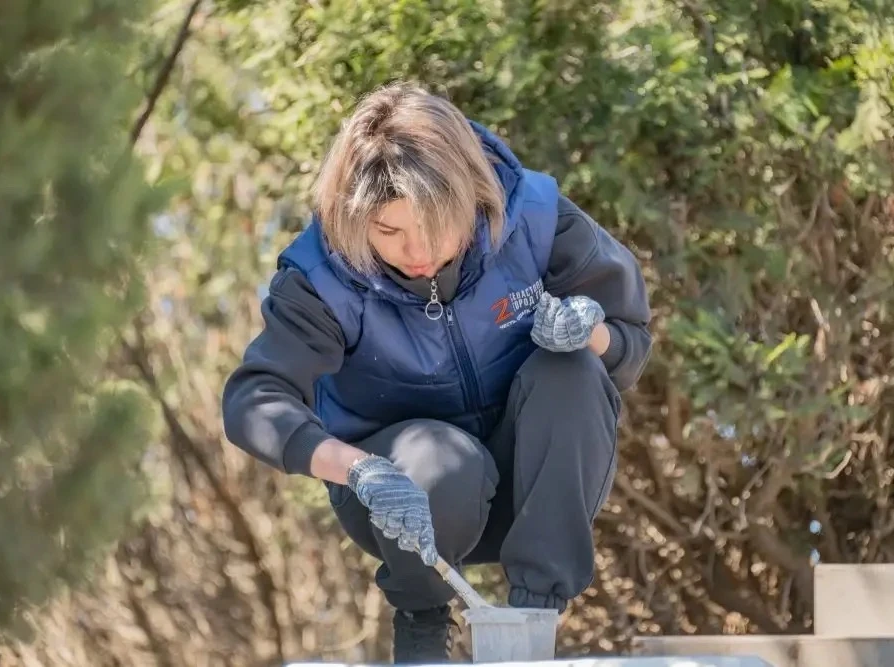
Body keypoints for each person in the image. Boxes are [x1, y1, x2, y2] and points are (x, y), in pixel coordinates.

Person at [221, 81, 652, 663]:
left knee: (572, 370)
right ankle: (422, 619)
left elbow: (628, 341)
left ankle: (534, 617)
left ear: (471, 195)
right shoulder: (321, 279)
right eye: (388, 231)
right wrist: (359, 469)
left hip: (536, 483)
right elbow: (254, 398)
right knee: (443, 460)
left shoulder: (534, 217)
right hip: (409, 499)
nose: (415, 251)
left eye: (432, 224)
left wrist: (589, 329)